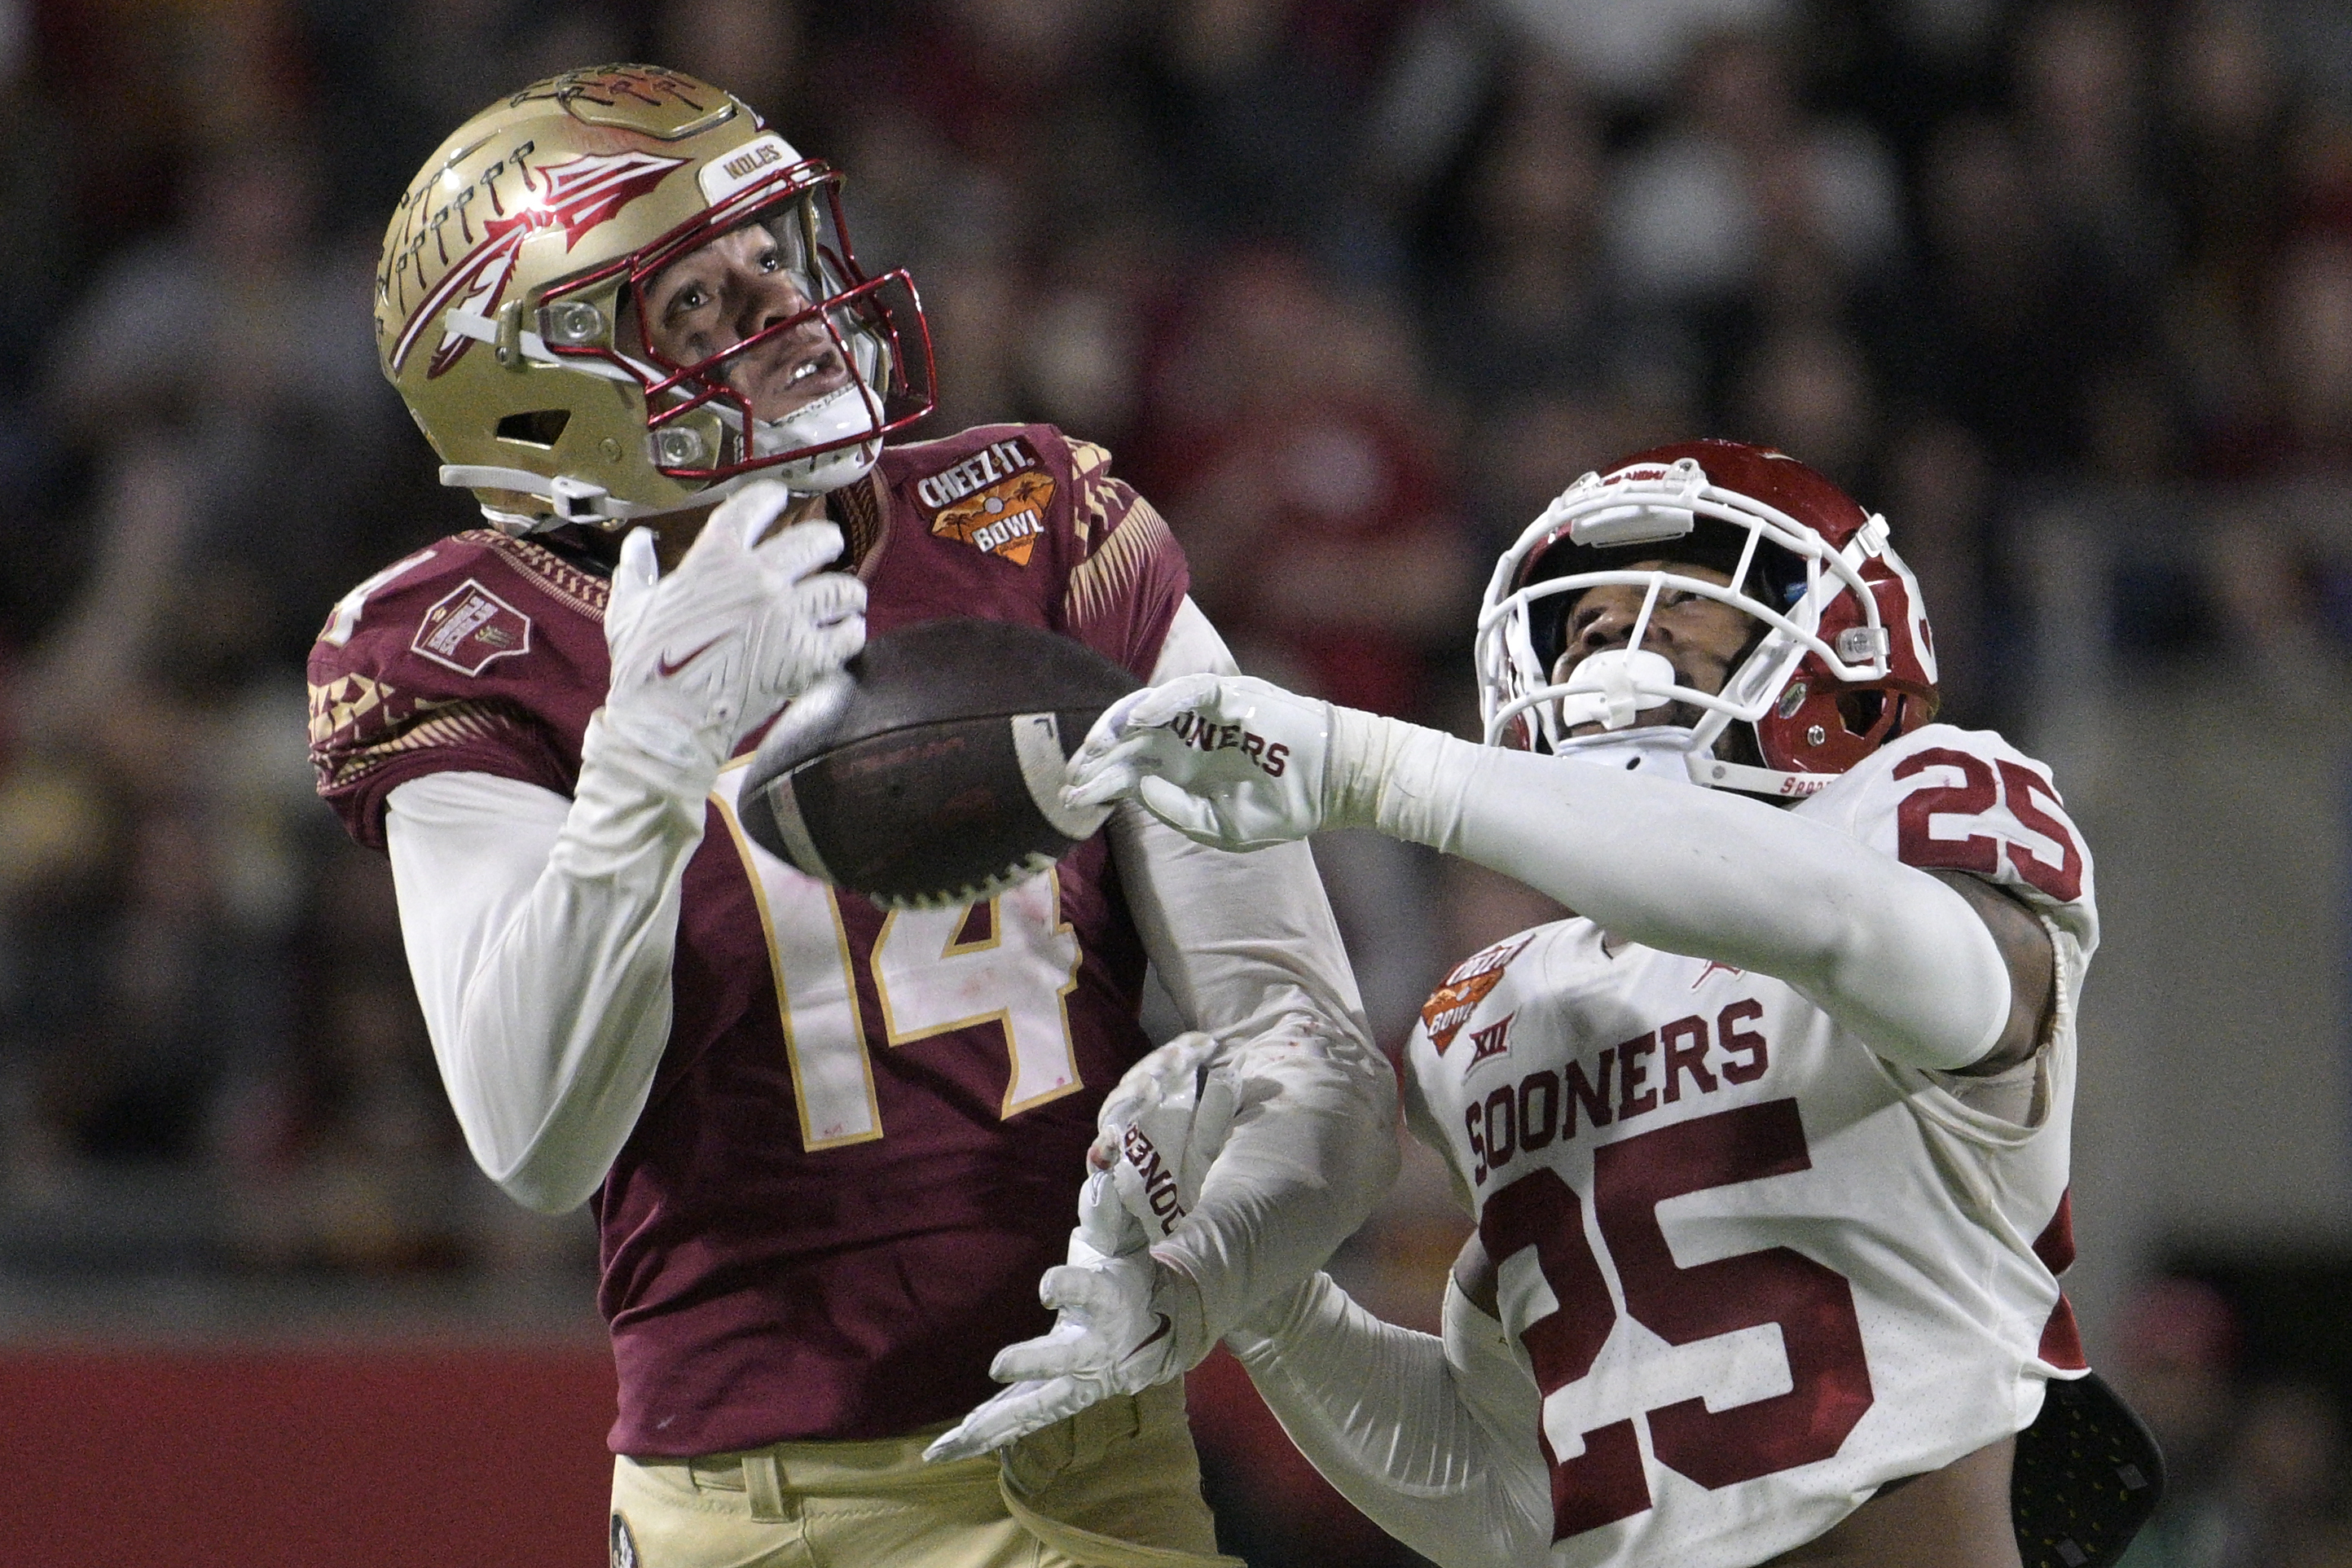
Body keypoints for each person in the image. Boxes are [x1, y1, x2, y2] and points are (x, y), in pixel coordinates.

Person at [306, 64, 1396, 1568]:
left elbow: (1311, 1044)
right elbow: (534, 1136)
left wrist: (1203, 1271)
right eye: (693, 301)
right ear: (543, 389)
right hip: (760, 1517)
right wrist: (647, 751)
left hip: (1103, 1469)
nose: (787, 310)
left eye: (781, 252)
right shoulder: (478, 643)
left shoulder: (1035, 523)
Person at [1059, 440, 2100, 1566]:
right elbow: (1502, 1488)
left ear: (1836, 656)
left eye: (1678, 607)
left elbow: (1849, 927)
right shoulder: (1493, 1015)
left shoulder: (1913, 821)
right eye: (1589, 621)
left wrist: (1383, 767)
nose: (1610, 637)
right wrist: (1263, 1303)